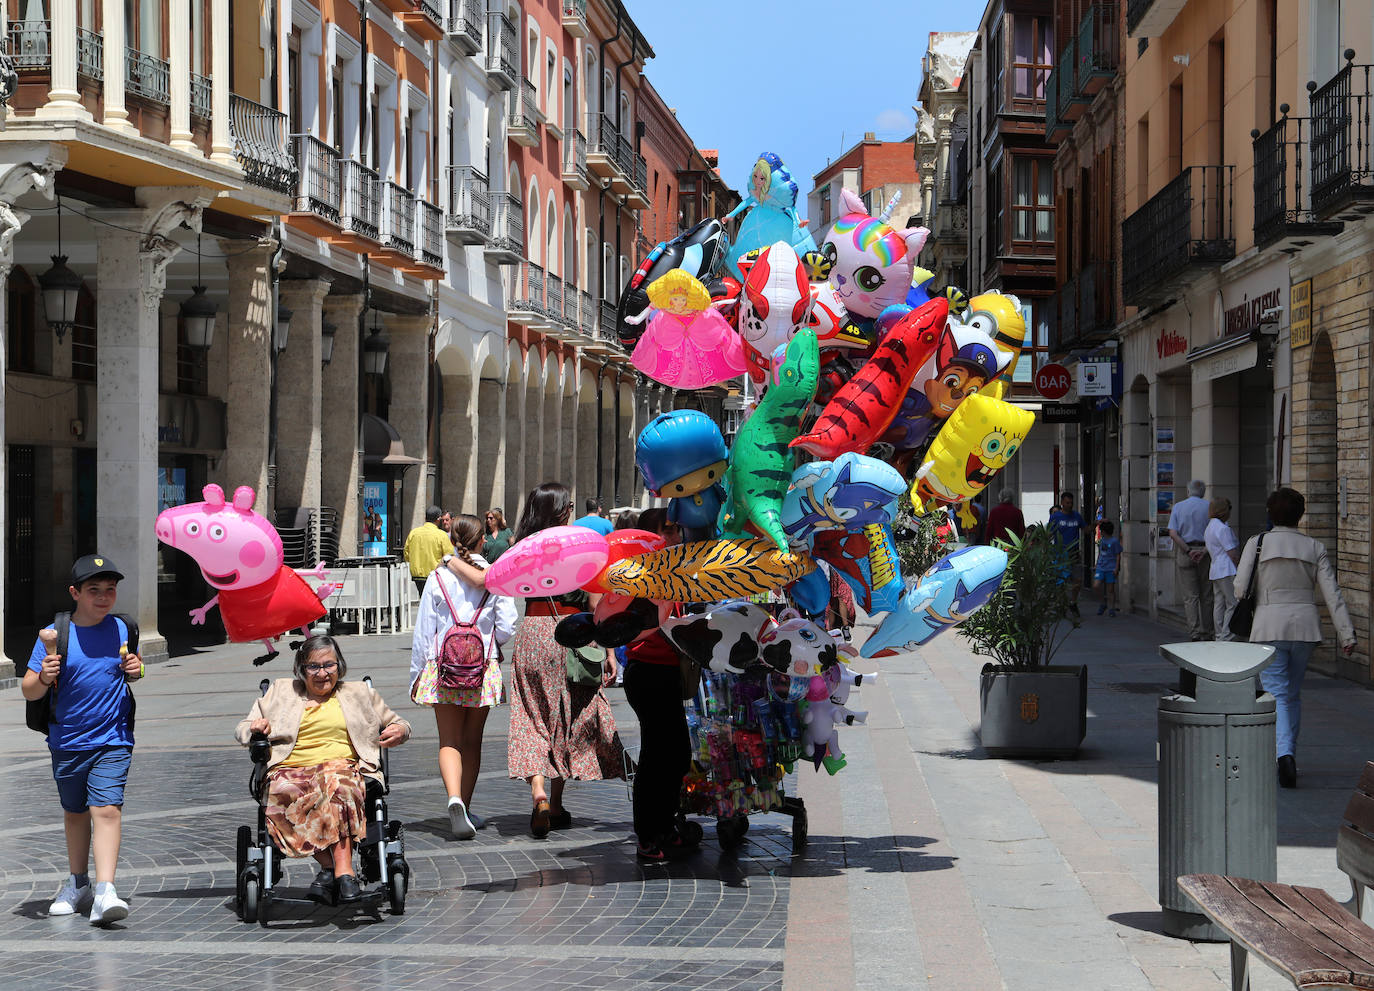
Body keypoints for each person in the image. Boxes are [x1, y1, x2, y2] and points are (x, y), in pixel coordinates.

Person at [235, 636, 411, 903]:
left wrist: (399, 730)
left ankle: (340, 871)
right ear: (300, 670)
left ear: (339, 666)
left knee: (336, 782)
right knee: (287, 792)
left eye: (329, 665)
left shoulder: (359, 693)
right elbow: (243, 727)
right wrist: (256, 729)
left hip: (344, 766)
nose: (322, 673)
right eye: (313, 667)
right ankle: (337, 871)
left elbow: (398, 722)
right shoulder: (281, 691)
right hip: (291, 767)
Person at [23, 554, 144, 925]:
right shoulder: (55, 635)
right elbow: (29, 692)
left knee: (107, 809)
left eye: (110, 590)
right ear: (75, 593)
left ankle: (106, 890)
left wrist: (137, 670)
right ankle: (78, 884)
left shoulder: (124, 629)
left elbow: (129, 672)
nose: (104, 597)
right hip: (68, 740)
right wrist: (43, 676)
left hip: (114, 737)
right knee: (75, 813)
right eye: (94, 590)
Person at [506, 483, 624, 837]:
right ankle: (555, 805)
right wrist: (609, 651)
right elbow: (593, 602)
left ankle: (538, 791)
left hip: (532, 631)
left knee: (531, 715)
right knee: (566, 716)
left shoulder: (521, 547)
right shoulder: (578, 545)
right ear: (559, 510)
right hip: (571, 632)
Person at [1235, 487, 1356, 789]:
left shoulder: (1257, 543)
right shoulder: (1314, 547)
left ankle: (1284, 754)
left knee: (1276, 693)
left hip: (1268, 626)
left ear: (1269, 513)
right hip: (1304, 627)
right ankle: (1288, 754)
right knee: (1291, 694)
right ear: (1300, 515)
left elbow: (1239, 589)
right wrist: (1346, 633)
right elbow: (1332, 594)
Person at [410, 514, 516, 839]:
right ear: (482, 540)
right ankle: (465, 807)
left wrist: (417, 672)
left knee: (449, 740)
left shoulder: (439, 576)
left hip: (442, 667)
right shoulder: (494, 576)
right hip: (481, 668)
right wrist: (487, 644)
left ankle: (453, 798)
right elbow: (508, 625)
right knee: (473, 741)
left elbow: (424, 629)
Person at [620, 507, 698, 862]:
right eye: (667, 529)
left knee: (677, 752)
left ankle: (664, 825)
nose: (675, 535)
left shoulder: (670, 571)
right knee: (656, 755)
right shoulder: (641, 576)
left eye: (676, 528)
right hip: (647, 670)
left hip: (665, 670)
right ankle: (648, 835)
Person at [1168, 479, 1214, 640]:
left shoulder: (1179, 507)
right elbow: (1215, 533)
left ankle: (1194, 632)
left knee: (1190, 596)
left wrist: (1188, 551)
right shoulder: (1210, 507)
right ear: (1203, 492)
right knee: (1207, 595)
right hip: (1205, 553)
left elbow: (1173, 533)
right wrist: (1202, 551)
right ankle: (1208, 631)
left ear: (1188, 491)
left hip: (1185, 551)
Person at [1205, 496, 1241, 641]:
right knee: (1233, 603)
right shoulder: (1223, 528)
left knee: (1219, 603)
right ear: (1223, 511)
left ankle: (1219, 633)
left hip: (1215, 569)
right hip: (1227, 569)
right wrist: (1240, 567)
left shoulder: (1210, 526)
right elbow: (1231, 552)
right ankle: (1226, 635)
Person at [1047, 491, 1086, 615]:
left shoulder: (1077, 516)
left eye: (1071, 502)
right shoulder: (1055, 517)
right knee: (1061, 581)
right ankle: (1061, 604)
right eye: (1067, 502)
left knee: (1078, 579)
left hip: (1074, 552)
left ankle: (1072, 602)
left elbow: (1086, 529)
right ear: (1062, 503)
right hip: (1060, 553)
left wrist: (1096, 523)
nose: (1070, 505)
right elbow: (1049, 533)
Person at [403, 505, 454, 595]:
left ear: (425, 517)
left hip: (417, 575)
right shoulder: (441, 535)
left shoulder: (413, 533)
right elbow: (449, 555)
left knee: (423, 598)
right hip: (435, 574)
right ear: (438, 519)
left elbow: (406, 553)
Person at [1093, 521, 1123, 617]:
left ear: (1105, 531)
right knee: (1096, 586)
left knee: (1111, 589)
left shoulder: (1114, 541)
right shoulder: (1102, 540)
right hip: (1101, 567)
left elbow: (1118, 555)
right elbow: (1101, 553)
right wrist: (1097, 564)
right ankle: (1103, 602)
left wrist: (1116, 568)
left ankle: (1111, 608)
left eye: (1101, 530)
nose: (1100, 532)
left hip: (1110, 567)